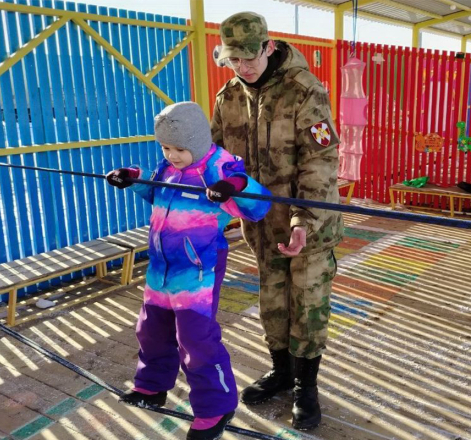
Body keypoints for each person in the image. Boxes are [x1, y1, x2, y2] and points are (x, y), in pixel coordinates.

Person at [106, 101, 271, 440]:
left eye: (179, 149)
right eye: (166, 148)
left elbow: (259, 206)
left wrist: (234, 187)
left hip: (198, 270)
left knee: (195, 340)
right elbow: (157, 195)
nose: (172, 155)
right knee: (151, 330)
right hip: (161, 267)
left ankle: (216, 407)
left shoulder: (219, 166)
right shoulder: (168, 168)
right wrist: (133, 179)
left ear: (197, 140)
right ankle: (152, 387)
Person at [210, 12, 343, 431]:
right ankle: (282, 372)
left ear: (268, 47)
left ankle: (306, 386)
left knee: (307, 304)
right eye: (234, 59)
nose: (243, 67)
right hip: (262, 224)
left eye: (250, 57)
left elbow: (320, 162)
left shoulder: (304, 90)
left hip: (310, 223)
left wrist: (303, 220)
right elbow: (216, 157)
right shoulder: (228, 96)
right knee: (273, 300)